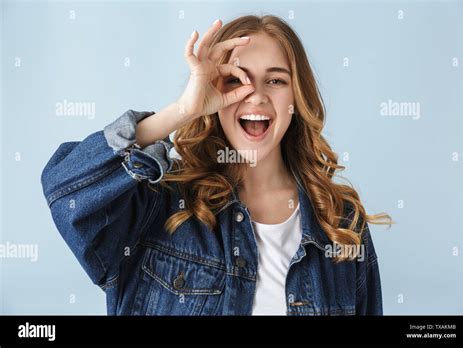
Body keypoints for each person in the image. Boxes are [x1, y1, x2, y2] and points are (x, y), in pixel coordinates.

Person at [41, 15, 392, 315]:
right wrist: (183, 110)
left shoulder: (341, 221)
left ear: (297, 99)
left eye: (275, 80)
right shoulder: (158, 205)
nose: (256, 95)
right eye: (235, 79)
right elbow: (66, 190)